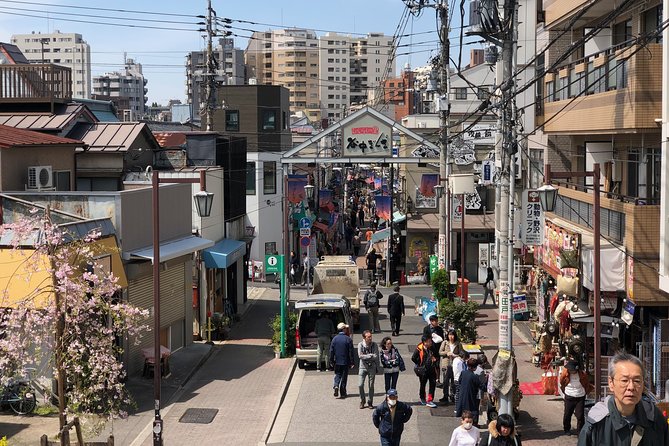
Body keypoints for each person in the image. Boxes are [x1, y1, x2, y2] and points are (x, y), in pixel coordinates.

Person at [578, 351, 669, 446]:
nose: (631, 387)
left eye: (637, 381)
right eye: (624, 380)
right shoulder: (597, 423)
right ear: (611, 383)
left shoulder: (654, 417)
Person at [560, 359, 589, 435]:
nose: (570, 371)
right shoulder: (565, 373)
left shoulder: (583, 374)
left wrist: (584, 392)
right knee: (567, 414)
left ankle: (580, 431)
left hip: (580, 396)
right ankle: (567, 429)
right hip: (569, 396)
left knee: (580, 415)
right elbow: (562, 382)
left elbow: (586, 384)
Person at [456, 358, 487, 425]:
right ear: (475, 367)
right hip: (471, 399)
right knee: (471, 414)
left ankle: (464, 425)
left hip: (463, 397)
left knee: (464, 414)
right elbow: (483, 387)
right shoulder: (474, 377)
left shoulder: (463, 373)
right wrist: (487, 380)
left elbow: (460, 383)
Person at [329, 322, 354, 399]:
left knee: (338, 374)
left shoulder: (334, 339)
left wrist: (331, 361)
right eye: (345, 328)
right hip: (345, 361)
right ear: (343, 329)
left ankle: (336, 385)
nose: (346, 329)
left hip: (337, 361)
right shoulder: (348, 339)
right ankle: (343, 392)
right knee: (344, 377)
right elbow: (351, 352)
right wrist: (352, 362)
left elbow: (331, 351)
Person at [411, 334, 438, 407]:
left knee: (432, 384)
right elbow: (413, 358)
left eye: (430, 341)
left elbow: (436, 355)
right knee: (423, 384)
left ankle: (430, 399)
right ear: (424, 342)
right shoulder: (419, 348)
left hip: (431, 369)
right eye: (429, 341)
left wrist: (435, 359)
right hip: (423, 370)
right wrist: (419, 364)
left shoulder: (432, 348)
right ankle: (422, 398)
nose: (430, 343)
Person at [357, 330, 380, 409]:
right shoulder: (360, 345)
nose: (370, 338)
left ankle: (370, 402)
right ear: (364, 338)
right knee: (360, 385)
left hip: (372, 367)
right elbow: (360, 356)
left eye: (371, 336)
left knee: (371, 386)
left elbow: (376, 356)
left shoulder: (374, 345)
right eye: (368, 337)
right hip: (362, 367)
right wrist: (370, 355)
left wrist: (366, 356)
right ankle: (362, 400)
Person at [440, 328, 463, 403]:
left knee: (453, 381)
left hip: (455, 364)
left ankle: (453, 395)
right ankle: (445, 396)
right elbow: (440, 352)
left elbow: (461, 354)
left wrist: (455, 355)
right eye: (450, 335)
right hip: (446, 364)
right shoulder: (445, 343)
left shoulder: (458, 344)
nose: (451, 337)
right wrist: (446, 353)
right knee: (446, 381)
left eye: (452, 335)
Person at [423, 314, 445, 379]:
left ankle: (437, 379)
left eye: (436, 321)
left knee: (437, 365)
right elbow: (424, 339)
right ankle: (430, 377)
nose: (436, 322)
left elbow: (442, 339)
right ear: (431, 321)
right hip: (429, 349)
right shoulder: (426, 329)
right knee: (429, 364)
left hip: (437, 349)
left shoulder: (439, 329)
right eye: (434, 321)